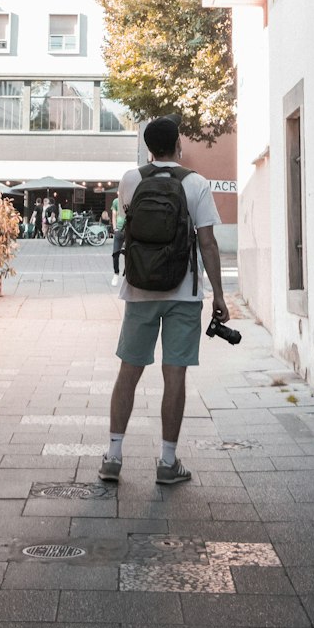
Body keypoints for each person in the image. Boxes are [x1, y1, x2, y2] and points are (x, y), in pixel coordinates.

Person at [100, 117, 228, 486]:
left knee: (129, 372)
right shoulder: (196, 183)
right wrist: (218, 294)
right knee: (175, 375)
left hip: (139, 290)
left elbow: (126, 226)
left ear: (148, 147)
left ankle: (113, 456)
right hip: (183, 292)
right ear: (179, 145)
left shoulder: (131, 179)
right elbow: (207, 243)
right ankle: (167, 462)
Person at [110, 191, 126, 287]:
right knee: (115, 254)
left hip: (128, 231)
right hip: (118, 231)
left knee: (128, 254)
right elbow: (114, 215)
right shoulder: (116, 202)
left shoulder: (129, 201)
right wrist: (115, 228)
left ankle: (127, 275)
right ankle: (116, 273)